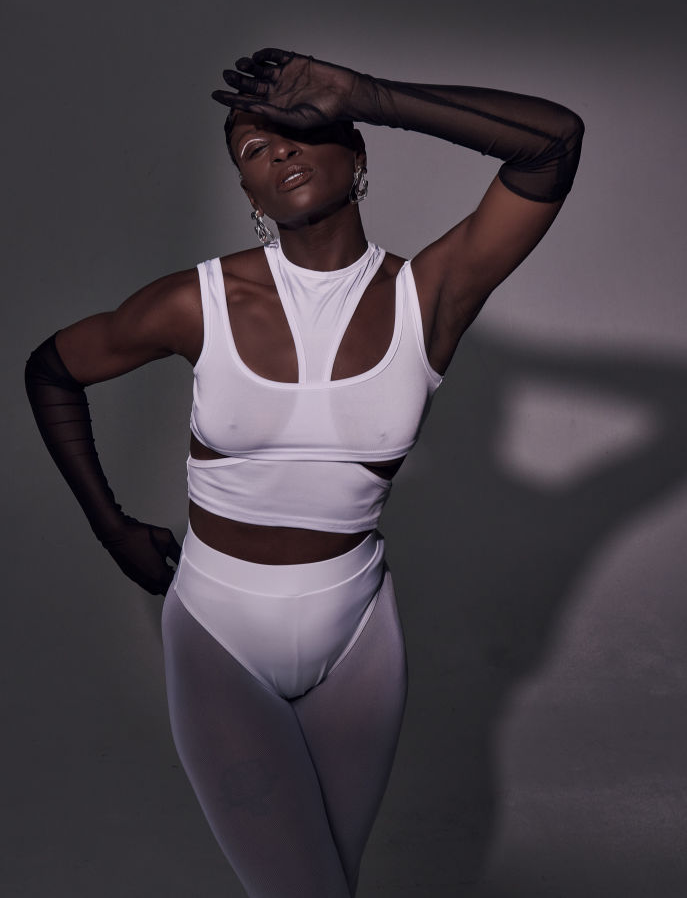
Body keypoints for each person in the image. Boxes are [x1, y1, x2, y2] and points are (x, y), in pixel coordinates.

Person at [25, 48, 583, 898]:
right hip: (219, 628)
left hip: (357, 633)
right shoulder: (197, 303)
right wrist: (110, 527)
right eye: (253, 150)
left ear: (356, 156)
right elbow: (52, 370)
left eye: (299, 128)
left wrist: (369, 94)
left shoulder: (426, 297)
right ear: (251, 197)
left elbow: (552, 144)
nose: (278, 150)